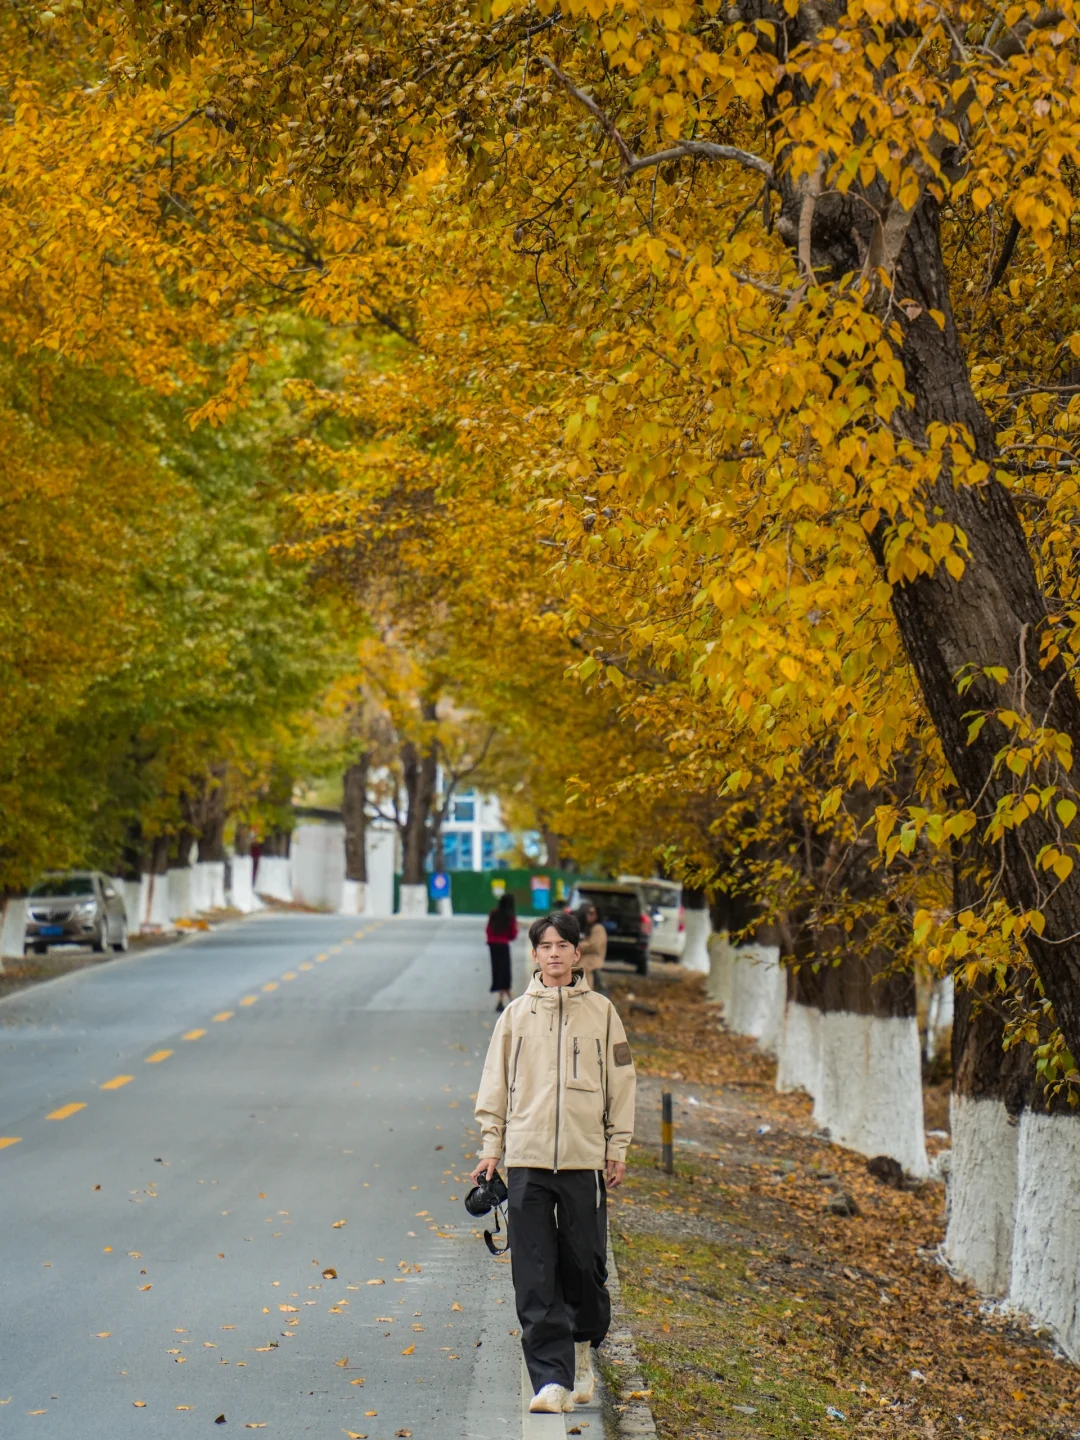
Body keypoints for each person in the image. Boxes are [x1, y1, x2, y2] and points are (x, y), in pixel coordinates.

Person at [472, 910, 637, 1415]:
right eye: (546, 946)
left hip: (585, 1159)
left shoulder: (603, 1013)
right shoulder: (517, 1015)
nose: (555, 954)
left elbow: (622, 1082)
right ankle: (550, 1379)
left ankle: (583, 1346)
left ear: (576, 953)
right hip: (527, 1157)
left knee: (585, 1264)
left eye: (563, 945)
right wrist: (490, 1149)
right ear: (536, 954)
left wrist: (617, 1146)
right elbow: (495, 1085)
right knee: (534, 1270)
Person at [486, 892, 518, 1012]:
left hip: (493, 946)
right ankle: (513, 1003)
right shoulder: (511, 917)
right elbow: (513, 935)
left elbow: (488, 930)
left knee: (499, 972)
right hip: (503, 945)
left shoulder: (493, 914)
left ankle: (501, 1001)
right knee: (505, 973)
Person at [575, 901, 607, 993]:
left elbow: (594, 946)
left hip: (594, 958)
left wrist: (580, 946)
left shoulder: (598, 928)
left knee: (583, 970)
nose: (589, 915)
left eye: (592, 913)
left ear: (597, 915)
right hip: (589, 957)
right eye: (588, 913)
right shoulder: (591, 928)